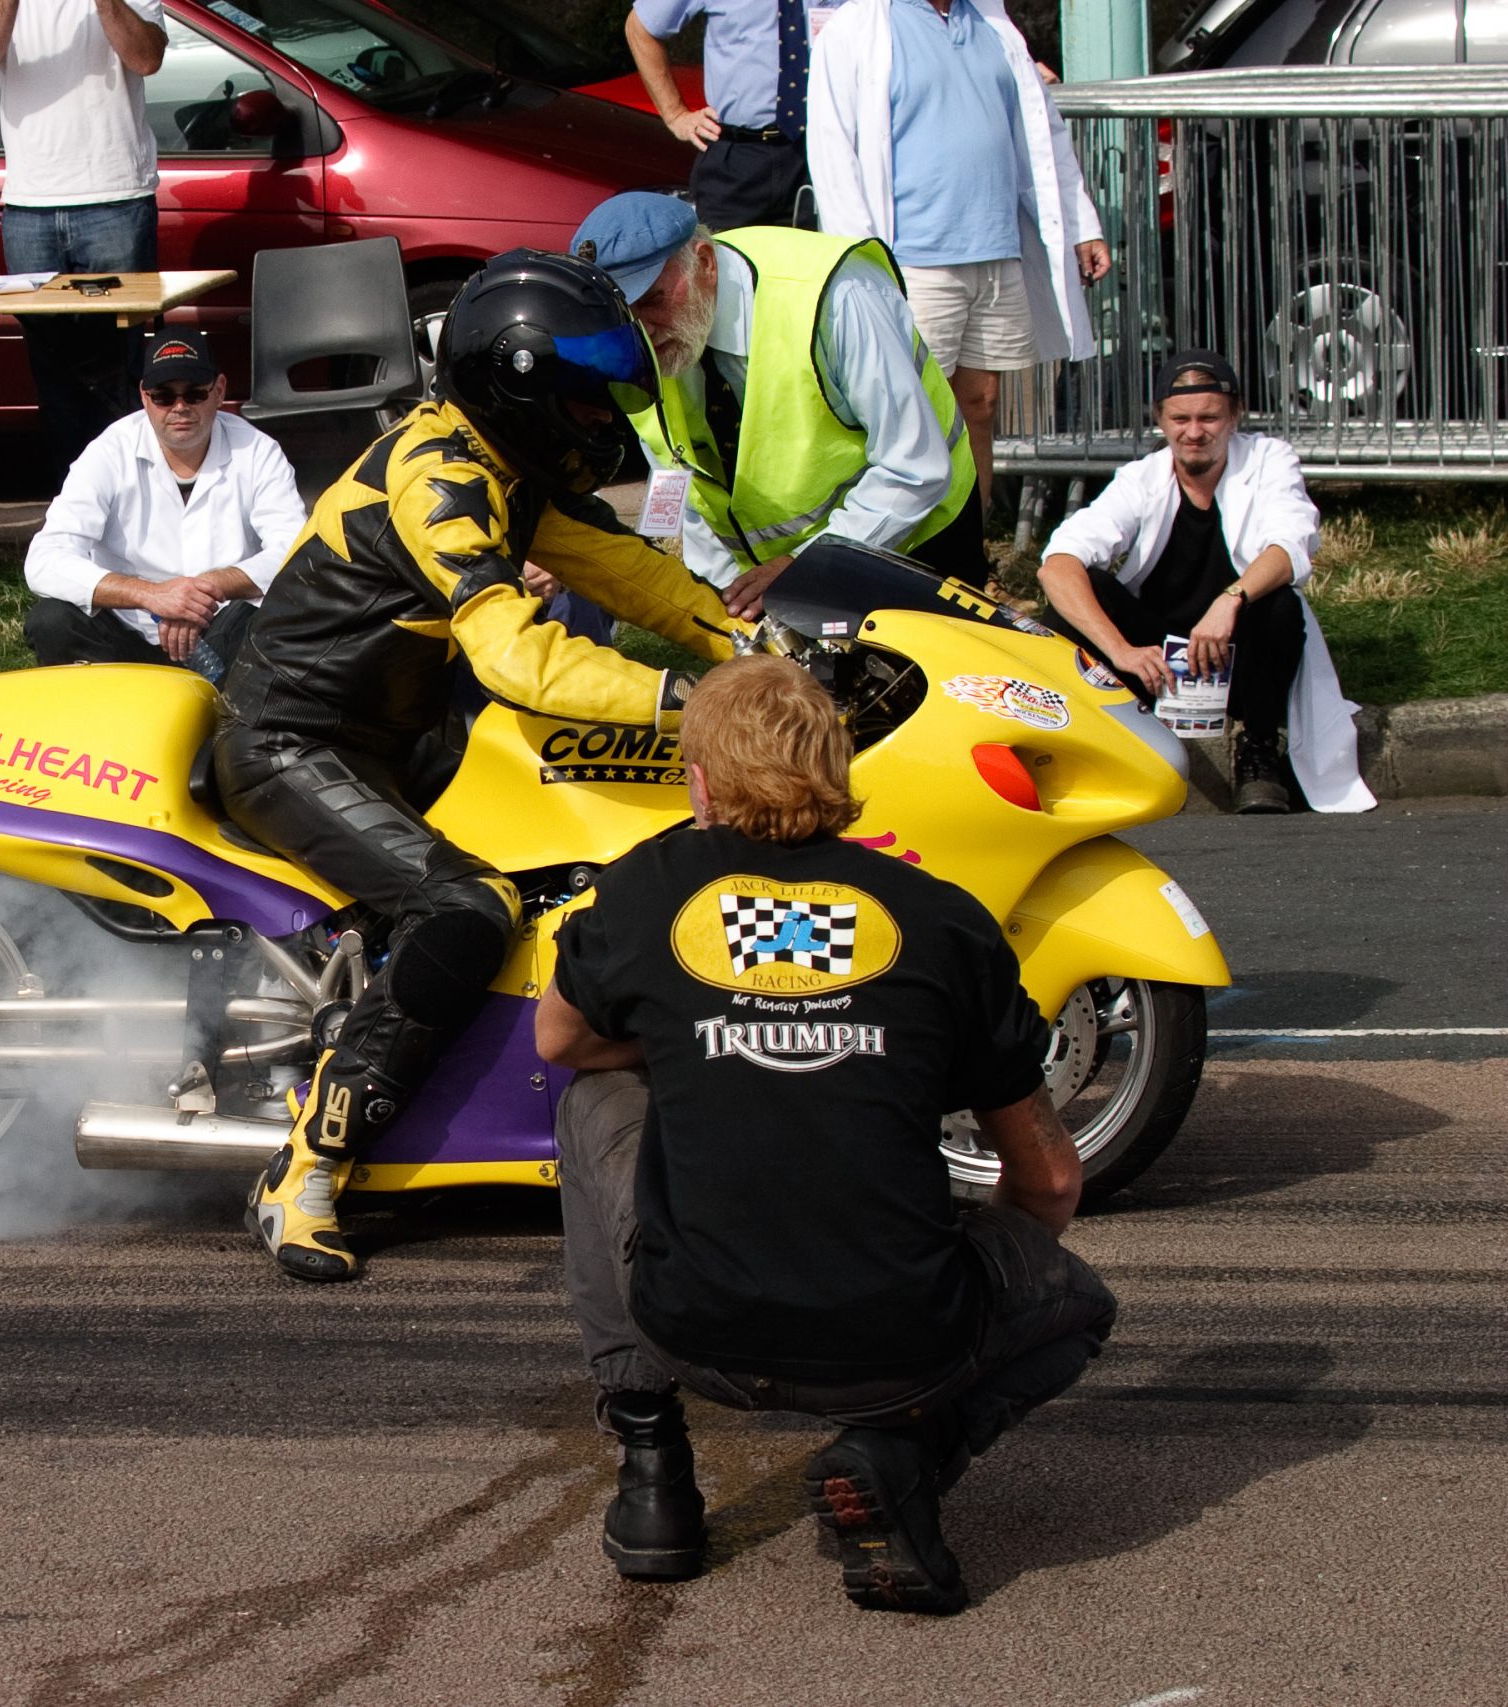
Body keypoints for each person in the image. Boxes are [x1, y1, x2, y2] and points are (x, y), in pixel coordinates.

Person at [537, 653, 1116, 1614]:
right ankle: (899, 1449)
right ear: (840, 772)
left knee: (589, 1100)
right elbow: (1050, 1183)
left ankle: (653, 1477)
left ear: (703, 780)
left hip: (694, 1327)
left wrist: (708, 1038)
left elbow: (558, 1039)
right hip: (901, 1342)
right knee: (1080, 1306)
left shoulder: (649, 889)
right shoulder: (941, 916)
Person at [218, 249, 741, 1284]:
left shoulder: (501, 462)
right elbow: (510, 652)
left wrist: (746, 647)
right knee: (468, 906)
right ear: (524, 386)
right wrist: (686, 699)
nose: (602, 424)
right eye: (588, 404)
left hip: (396, 730)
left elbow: (627, 568)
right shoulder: (441, 479)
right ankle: (308, 1170)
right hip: (294, 740)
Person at [571, 190, 982, 614]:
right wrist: (724, 608)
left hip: (917, 543)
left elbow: (914, 468)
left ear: (706, 264)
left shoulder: (836, 296)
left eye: (654, 300)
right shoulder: (640, 338)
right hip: (779, 574)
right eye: (626, 310)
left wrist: (804, 566)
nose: (644, 329)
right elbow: (679, 477)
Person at [807, 0, 1110, 513]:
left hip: (997, 248)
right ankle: (916, 557)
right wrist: (861, 260)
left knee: (981, 407)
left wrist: (1081, 225)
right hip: (913, 261)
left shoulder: (993, 22)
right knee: (916, 419)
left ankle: (969, 557)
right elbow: (833, 149)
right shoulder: (857, 26)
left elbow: (1043, 135)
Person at [1039, 352, 1375, 815]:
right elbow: (1056, 563)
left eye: (1209, 417)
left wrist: (1230, 600)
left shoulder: (1269, 460)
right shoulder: (1141, 477)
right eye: (1180, 418)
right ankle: (1106, 740)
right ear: (1160, 419)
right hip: (1158, 666)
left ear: (1235, 416)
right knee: (1073, 596)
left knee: (1278, 603)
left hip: (1241, 657)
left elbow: (1292, 545)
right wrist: (1121, 651)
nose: (1193, 432)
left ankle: (1257, 750)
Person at [0, 0, 165, 472]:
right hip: (30, 207)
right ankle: (72, 504)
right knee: (52, 371)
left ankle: (133, 497)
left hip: (116, 198)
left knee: (123, 366)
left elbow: (147, 58)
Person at [22, 329, 304, 678]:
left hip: (222, 628)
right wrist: (151, 595)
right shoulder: (109, 451)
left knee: (283, 615)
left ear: (219, 391)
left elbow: (295, 550)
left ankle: (233, 717)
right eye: (164, 396)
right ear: (144, 397)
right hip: (126, 632)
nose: (180, 408)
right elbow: (45, 559)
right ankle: (110, 715)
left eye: (195, 394)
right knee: (51, 620)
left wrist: (209, 587)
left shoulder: (259, 451)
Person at [622, 0, 811, 231]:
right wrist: (675, 114)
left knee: (818, 263)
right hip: (738, 160)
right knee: (725, 263)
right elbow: (640, 27)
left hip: (813, 156)